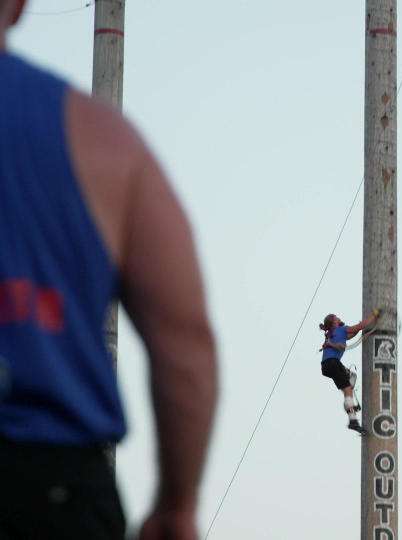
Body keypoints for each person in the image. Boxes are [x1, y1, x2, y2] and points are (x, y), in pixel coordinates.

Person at [0, 2, 218, 539]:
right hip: (50, 491)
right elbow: (186, 347)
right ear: (20, 6)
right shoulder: (100, 139)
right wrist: (177, 505)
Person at [319, 309, 379, 435]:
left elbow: (352, 333)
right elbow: (361, 326)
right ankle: (352, 419)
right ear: (334, 322)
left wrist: (358, 327)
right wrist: (375, 315)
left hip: (327, 366)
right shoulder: (340, 329)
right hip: (333, 363)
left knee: (350, 376)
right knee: (347, 389)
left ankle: (349, 405)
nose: (338, 317)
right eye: (336, 317)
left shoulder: (332, 332)